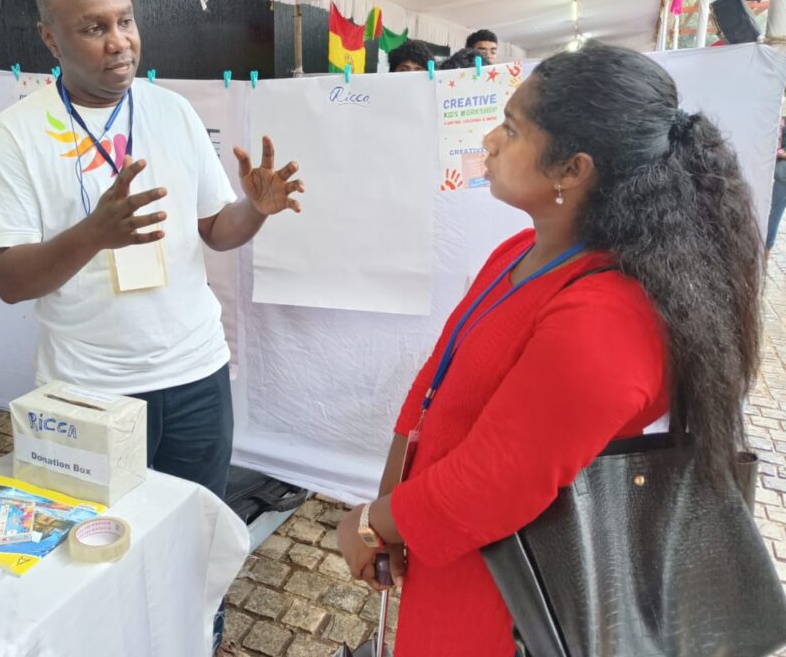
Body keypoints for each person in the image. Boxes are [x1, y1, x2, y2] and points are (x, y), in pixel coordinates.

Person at [336, 42, 762, 656]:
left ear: (572, 170)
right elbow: (435, 386)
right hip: (448, 550)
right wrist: (389, 516)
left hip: (514, 598)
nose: (488, 140)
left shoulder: (611, 317)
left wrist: (373, 522)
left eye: (511, 129)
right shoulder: (515, 254)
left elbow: (495, 480)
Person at [0, 0, 304, 502]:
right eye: (94, 28)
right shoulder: (17, 132)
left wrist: (255, 209)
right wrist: (93, 234)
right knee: (97, 544)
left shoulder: (173, 112)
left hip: (195, 372)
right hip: (87, 387)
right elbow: (9, 281)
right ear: (50, 39)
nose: (119, 42)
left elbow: (217, 232)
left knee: (193, 529)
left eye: (125, 21)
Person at [765, 120, 786, 253]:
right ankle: (766, 247)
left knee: (774, 214)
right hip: (781, 177)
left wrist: (779, 153)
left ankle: (766, 248)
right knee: (774, 213)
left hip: (782, 177)